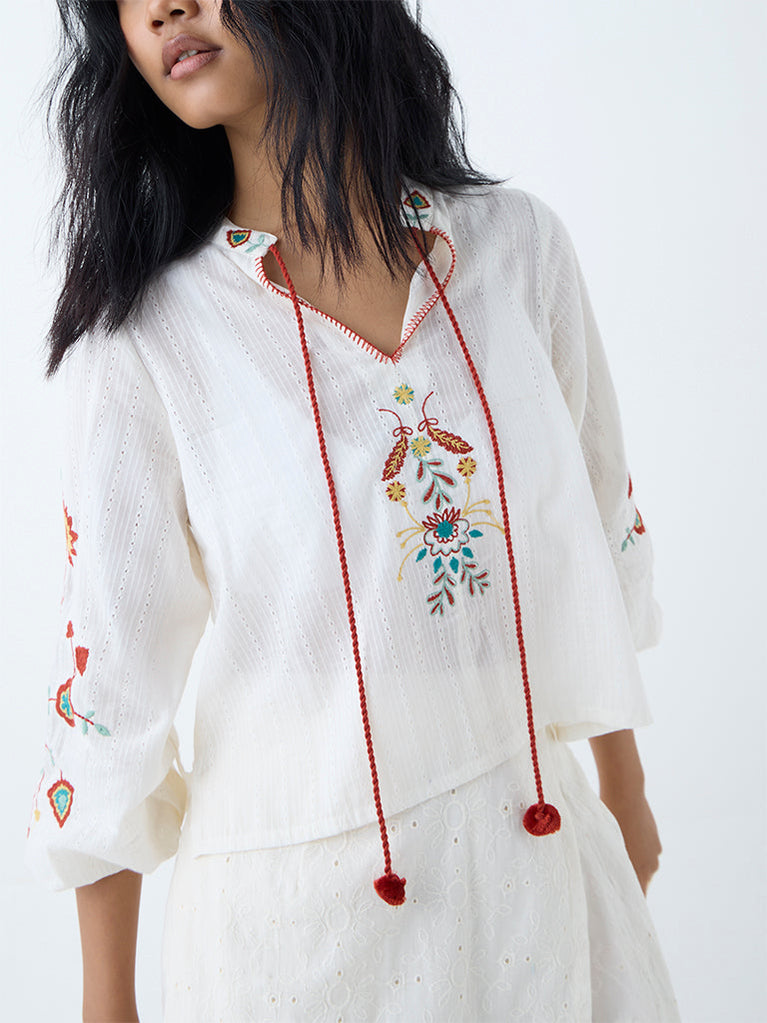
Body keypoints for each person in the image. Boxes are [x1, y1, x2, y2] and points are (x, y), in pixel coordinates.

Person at [25, 1, 681, 1020]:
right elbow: (113, 688)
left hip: (545, 875)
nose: (162, 9)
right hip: (298, 938)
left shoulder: (514, 251)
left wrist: (624, 791)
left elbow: (587, 540)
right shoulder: (147, 344)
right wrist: (106, 1001)